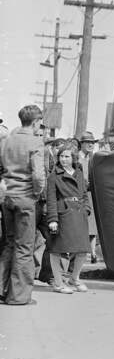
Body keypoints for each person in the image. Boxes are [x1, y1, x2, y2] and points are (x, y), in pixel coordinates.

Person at [0, 105, 46, 305]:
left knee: (10, 243)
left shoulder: (7, 140)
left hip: (7, 196)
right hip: (26, 198)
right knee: (25, 247)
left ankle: (1, 289)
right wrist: (37, 191)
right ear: (36, 122)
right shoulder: (36, 141)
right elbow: (37, 174)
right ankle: (18, 296)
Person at [46, 144, 91, 294]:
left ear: (73, 158)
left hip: (79, 213)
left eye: (67, 156)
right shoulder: (54, 176)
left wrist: (86, 209)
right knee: (57, 249)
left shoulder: (78, 172)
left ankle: (74, 278)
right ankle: (58, 283)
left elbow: (84, 194)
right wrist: (53, 219)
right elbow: (51, 199)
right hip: (63, 214)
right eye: (61, 156)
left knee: (82, 249)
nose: (63, 159)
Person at [78, 131, 99, 263]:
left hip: (90, 194)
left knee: (92, 225)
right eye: (88, 143)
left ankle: (93, 253)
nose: (91, 145)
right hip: (78, 195)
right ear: (82, 144)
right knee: (80, 224)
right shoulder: (76, 158)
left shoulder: (93, 159)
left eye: (93, 143)